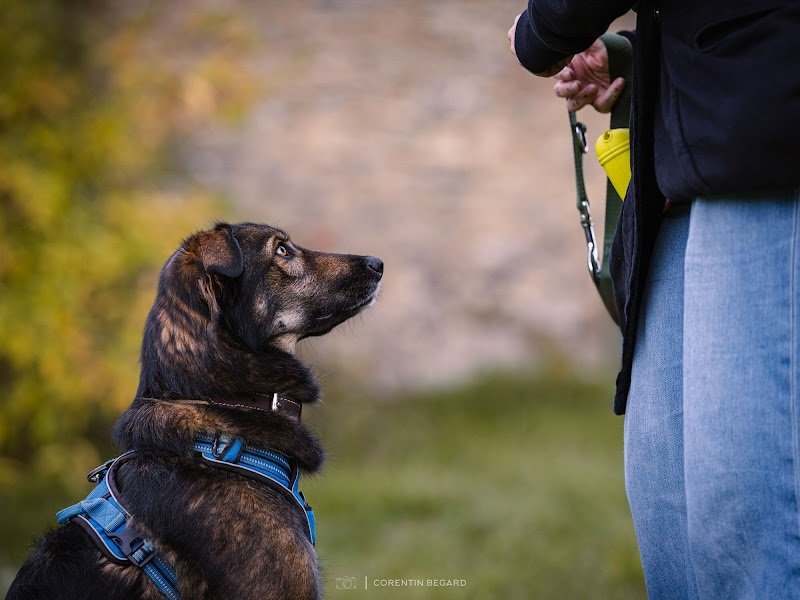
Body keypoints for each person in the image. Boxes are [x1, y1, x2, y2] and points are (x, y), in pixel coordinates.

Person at [508, 2, 800, 598]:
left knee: (746, 527)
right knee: (671, 527)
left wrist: (542, 30)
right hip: (685, 162)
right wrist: (636, 58)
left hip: (768, 139)